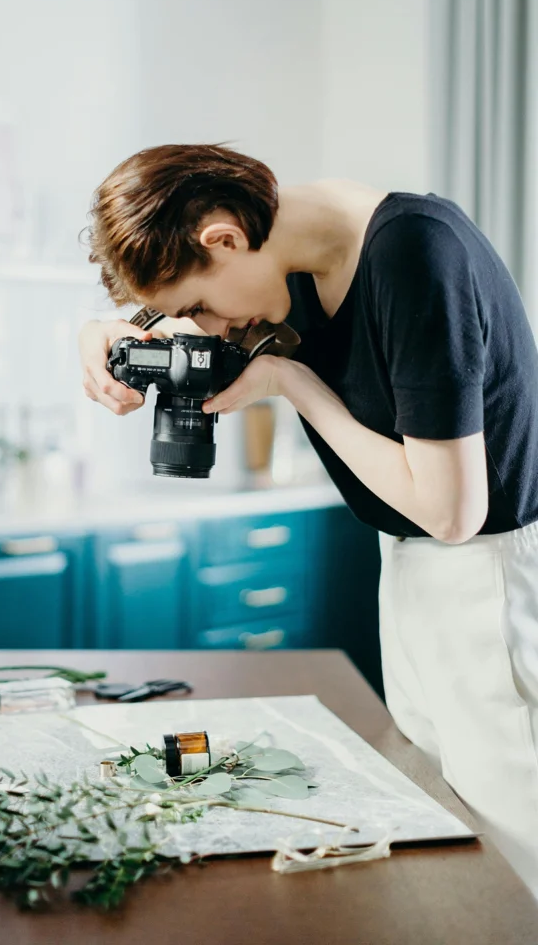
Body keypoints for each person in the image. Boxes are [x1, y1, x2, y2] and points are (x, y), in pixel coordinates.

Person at [79, 143, 538, 896]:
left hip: (488, 578)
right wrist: (99, 332)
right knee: (448, 847)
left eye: (199, 307)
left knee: (518, 863)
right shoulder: (282, 265)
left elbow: (454, 511)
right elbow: (160, 309)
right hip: (409, 569)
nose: (209, 329)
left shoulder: (417, 253)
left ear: (225, 238)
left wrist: (293, 385)